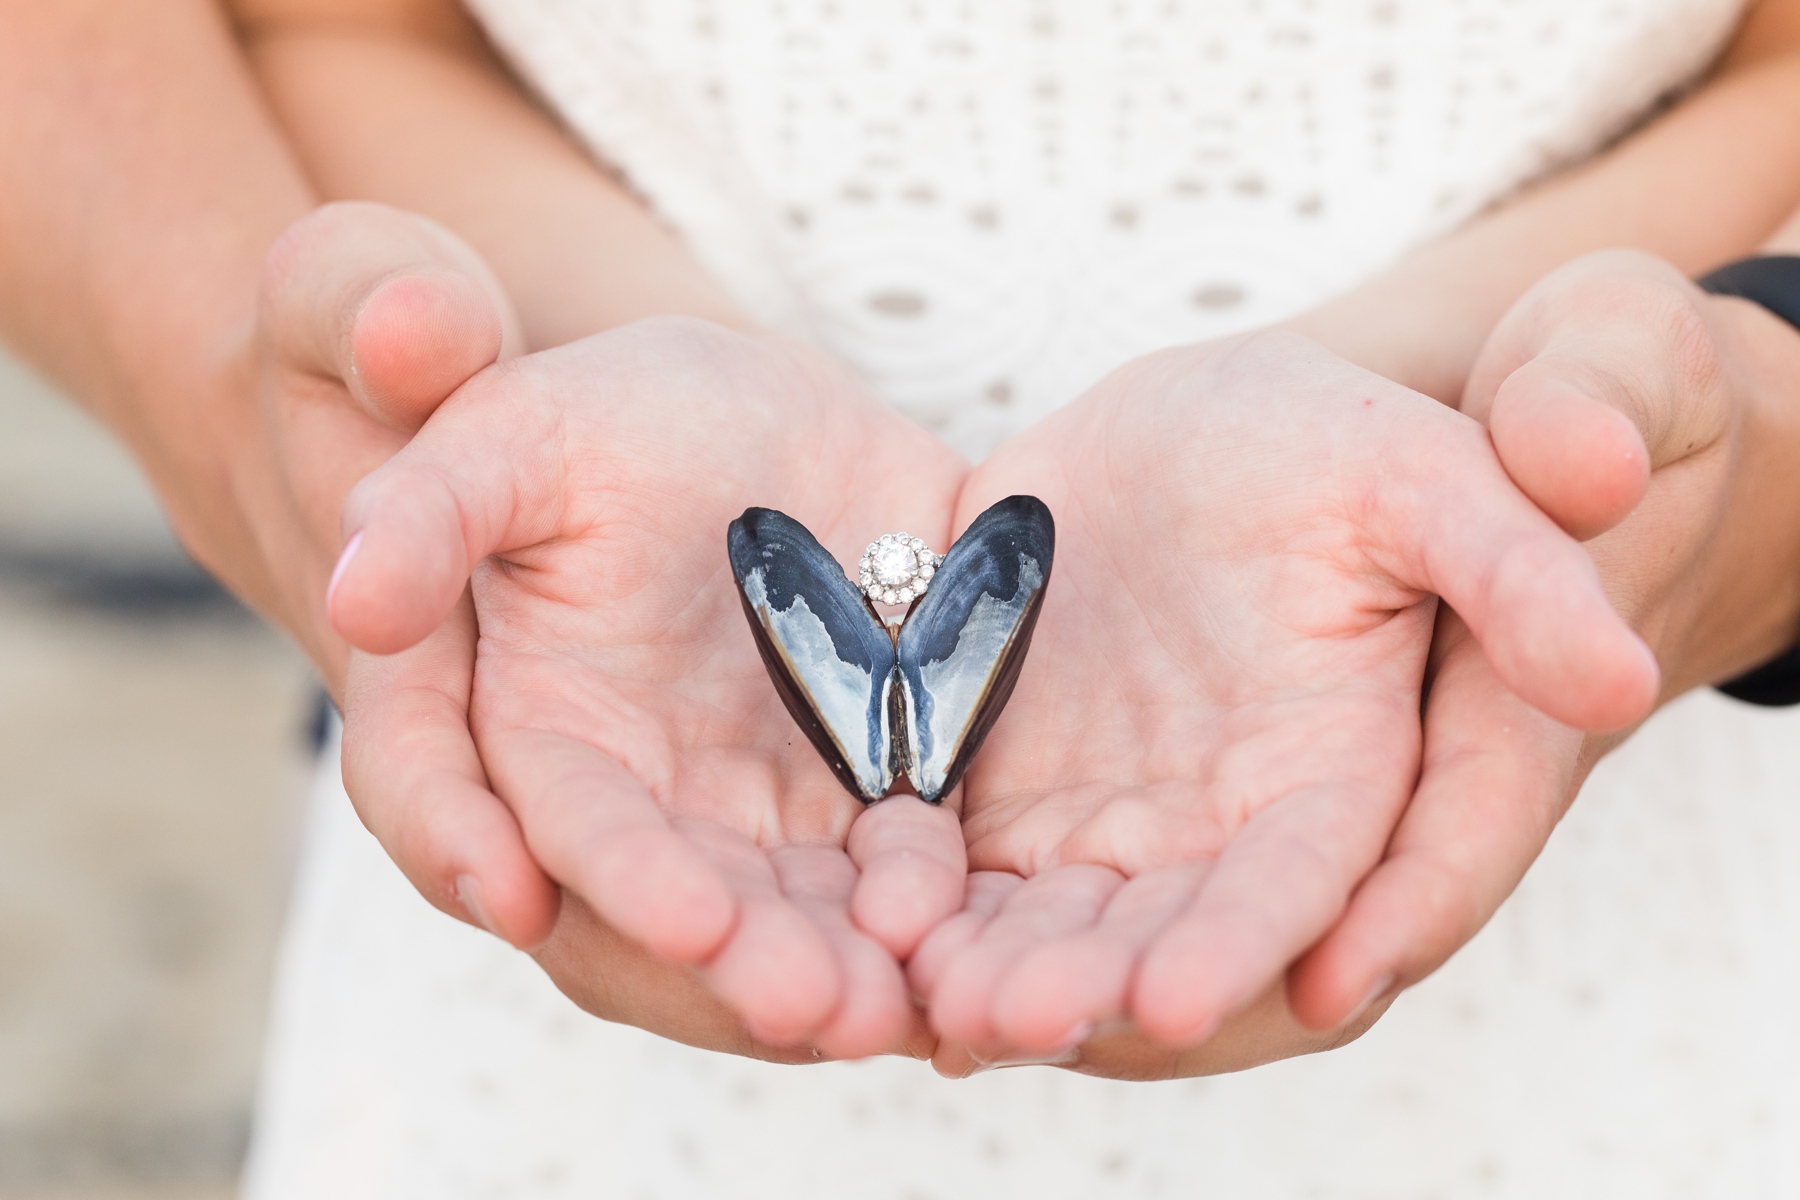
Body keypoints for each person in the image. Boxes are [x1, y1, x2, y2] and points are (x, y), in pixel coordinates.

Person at [4, 0, 1800, 1192]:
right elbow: (325, 28)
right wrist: (315, 419)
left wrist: (1711, 465)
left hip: (1618, 950)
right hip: (586, 711)